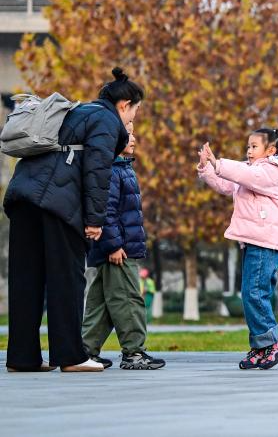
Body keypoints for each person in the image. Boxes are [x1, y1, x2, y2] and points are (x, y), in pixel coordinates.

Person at [4, 68, 140, 373]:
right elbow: (97, 171)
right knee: (67, 277)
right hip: (57, 202)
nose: (133, 119)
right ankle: (71, 356)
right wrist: (94, 219)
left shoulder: (76, 111)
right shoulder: (105, 120)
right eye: (135, 111)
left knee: (27, 279)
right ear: (124, 104)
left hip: (23, 194)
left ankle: (22, 357)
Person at [197, 128, 278, 370]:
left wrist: (218, 161)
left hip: (266, 240)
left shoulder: (272, 170)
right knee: (253, 294)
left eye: (254, 146)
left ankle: (275, 340)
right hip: (254, 240)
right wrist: (207, 168)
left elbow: (244, 174)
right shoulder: (250, 172)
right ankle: (261, 346)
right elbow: (226, 184)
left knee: (253, 292)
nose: (249, 150)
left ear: (270, 150)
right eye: (248, 146)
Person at [81, 122, 164, 370]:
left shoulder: (121, 168)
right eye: (128, 135)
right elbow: (104, 211)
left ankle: (85, 351)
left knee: (103, 303)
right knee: (128, 300)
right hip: (118, 250)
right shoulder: (112, 170)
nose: (134, 138)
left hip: (115, 247)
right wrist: (114, 245)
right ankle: (134, 354)